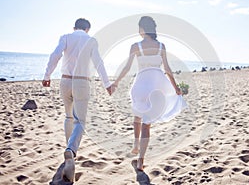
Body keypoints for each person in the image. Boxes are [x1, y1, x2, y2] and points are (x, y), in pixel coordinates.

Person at [42, 18, 114, 182]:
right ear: (88, 29)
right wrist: (107, 84)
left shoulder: (66, 37)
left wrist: (47, 76)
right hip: (82, 82)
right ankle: (71, 150)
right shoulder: (91, 40)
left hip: (65, 81)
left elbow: (55, 55)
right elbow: (98, 63)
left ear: (74, 27)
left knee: (68, 116)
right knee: (80, 121)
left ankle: (69, 153)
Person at [113, 16, 187, 171]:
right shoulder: (161, 46)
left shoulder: (135, 46)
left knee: (137, 113)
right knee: (147, 125)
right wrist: (176, 88)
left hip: (140, 84)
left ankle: (135, 143)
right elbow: (167, 69)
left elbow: (127, 67)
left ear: (141, 29)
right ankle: (140, 160)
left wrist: (116, 82)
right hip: (157, 86)